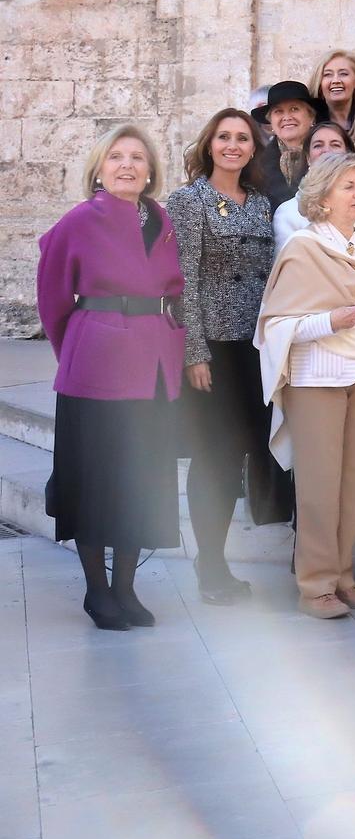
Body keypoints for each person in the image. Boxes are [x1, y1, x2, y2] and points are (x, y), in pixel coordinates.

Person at [38, 126, 185, 630]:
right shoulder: (80, 220)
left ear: (150, 171)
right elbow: (53, 301)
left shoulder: (161, 219)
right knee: (96, 483)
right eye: (116, 157)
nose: (127, 165)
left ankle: (126, 587)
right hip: (96, 369)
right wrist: (79, 351)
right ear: (99, 169)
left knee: (140, 481)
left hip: (154, 369)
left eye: (137, 158)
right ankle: (97, 592)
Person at [256, 153, 355, 619]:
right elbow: (274, 324)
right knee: (318, 484)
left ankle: (343, 576)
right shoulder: (302, 247)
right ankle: (314, 584)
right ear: (323, 196)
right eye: (347, 186)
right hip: (315, 375)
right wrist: (327, 321)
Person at [166, 109, 281, 603]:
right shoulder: (187, 201)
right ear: (209, 144)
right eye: (224, 137)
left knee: (239, 456)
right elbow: (181, 282)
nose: (233, 145)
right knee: (214, 458)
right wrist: (193, 353)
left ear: (254, 148)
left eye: (242, 138)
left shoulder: (261, 204)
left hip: (256, 348)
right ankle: (210, 563)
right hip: (212, 349)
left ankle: (218, 559)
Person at [273, 122, 355, 253]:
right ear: (308, 158)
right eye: (318, 145)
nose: (326, 151)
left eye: (335, 145)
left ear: (348, 155)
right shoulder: (288, 213)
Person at [252, 79, 327, 207]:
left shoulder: (328, 153)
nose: (286, 117)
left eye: (294, 109)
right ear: (271, 122)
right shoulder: (257, 166)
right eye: (278, 111)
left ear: (311, 117)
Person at [312, 50, 355, 134]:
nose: (336, 80)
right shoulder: (309, 124)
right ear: (319, 83)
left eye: (343, 74)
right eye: (328, 74)